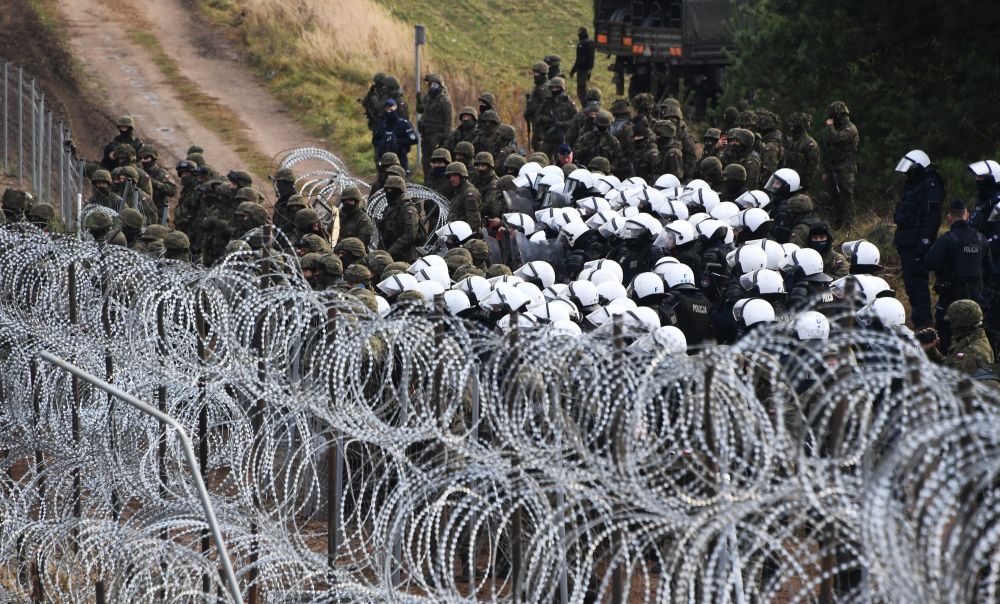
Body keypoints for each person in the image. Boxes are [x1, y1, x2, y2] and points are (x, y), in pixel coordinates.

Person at [926, 200, 993, 352]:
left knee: (944, 337)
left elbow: (930, 263)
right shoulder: (981, 239)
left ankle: (946, 367)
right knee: (979, 337)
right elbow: (989, 269)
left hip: (950, 298)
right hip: (976, 300)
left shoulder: (946, 240)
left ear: (949, 217)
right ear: (967, 215)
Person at [893, 150, 944, 329]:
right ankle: (921, 322)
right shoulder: (915, 183)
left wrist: (924, 242)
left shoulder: (930, 184)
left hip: (917, 244)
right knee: (912, 285)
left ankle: (924, 325)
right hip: (908, 242)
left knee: (918, 284)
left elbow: (932, 217)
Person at [924, 299, 994, 373]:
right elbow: (950, 365)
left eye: (952, 322)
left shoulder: (973, 353)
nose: (950, 326)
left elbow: (952, 379)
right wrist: (931, 351)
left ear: (961, 325)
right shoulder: (967, 339)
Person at [821, 100, 859, 228]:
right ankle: (837, 222)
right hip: (834, 167)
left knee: (846, 195)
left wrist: (830, 126)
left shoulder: (850, 129)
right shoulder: (836, 129)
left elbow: (837, 139)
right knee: (834, 196)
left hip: (845, 168)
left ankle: (850, 224)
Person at [416, 74, 453, 177]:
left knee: (437, 161)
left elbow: (449, 120)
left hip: (437, 136)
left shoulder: (444, 100)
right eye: (431, 85)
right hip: (426, 135)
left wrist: (444, 138)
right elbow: (420, 109)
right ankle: (427, 182)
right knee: (426, 161)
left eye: (436, 85)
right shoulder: (428, 98)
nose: (433, 87)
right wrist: (418, 100)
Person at [377, 175, 420, 262]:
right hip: (389, 253)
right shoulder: (389, 208)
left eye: (391, 190)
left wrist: (391, 250)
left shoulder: (408, 210)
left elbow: (410, 235)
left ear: (399, 191)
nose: (389, 193)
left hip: (404, 256)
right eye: (387, 190)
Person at [536, 77, 578, 161]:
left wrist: (563, 124)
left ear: (562, 88)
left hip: (563, 137)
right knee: (541, 158)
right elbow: (537, 117)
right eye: (553, 88)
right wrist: (547, 119)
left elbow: (576, 119)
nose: (555, 90)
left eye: (557, 88)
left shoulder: (569, 103)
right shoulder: (546, 102)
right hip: (548, 137)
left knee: (562, 160)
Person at [373, 99, 417, 174]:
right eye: (387, 110)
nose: (389, 112)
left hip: (400, 158)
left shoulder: (403, 124)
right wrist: (384, 143)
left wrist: (398, 142)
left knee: (401, 180)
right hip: (385, 159)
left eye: (391, 109)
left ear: (396, 108)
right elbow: (375, 141)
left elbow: (414, 140)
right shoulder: (382, 125)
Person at [138, 145, 177, 226]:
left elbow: (172, 190)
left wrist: (153, 182)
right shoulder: (139, 173)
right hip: (143, 213)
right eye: (141, 158)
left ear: (153, 158)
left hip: (159, 215)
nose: (143, 161)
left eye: (146, 158)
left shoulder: (161, 173)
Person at [784, 112, 820, 190]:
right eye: (791, 126)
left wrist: (806, 183)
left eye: (795, 127)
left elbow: (813, 167)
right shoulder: (790, 142)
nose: (791, 129)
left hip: (801, 183)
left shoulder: (809, 143)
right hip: (787, 181)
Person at [446, 162, 482, 232]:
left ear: (462, 176)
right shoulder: (458, 192)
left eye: (454, 176)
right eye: (450, 176)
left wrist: (466, 236)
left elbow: (473, 220)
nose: (451, 179)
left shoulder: (469, 193)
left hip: (465, 235)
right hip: (456, 232)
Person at [524, 62, 550, 152]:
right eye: (534, 73)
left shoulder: (545, 89)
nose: (535, 75)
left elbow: (545, 106)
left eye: (538, 73)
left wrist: (530, 110)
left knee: (539, 145)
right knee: (535, 143)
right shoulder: (538, 87)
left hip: (542, 125)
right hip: (537, 123)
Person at [569, 27, 595, 106]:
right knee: (585, 87)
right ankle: (589, 104)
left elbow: (580, 60)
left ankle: (586, 106)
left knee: (581, 90)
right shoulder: (591, 42)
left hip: (582, 69)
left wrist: (573, 70)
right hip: (589, 69)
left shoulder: (582, 44)